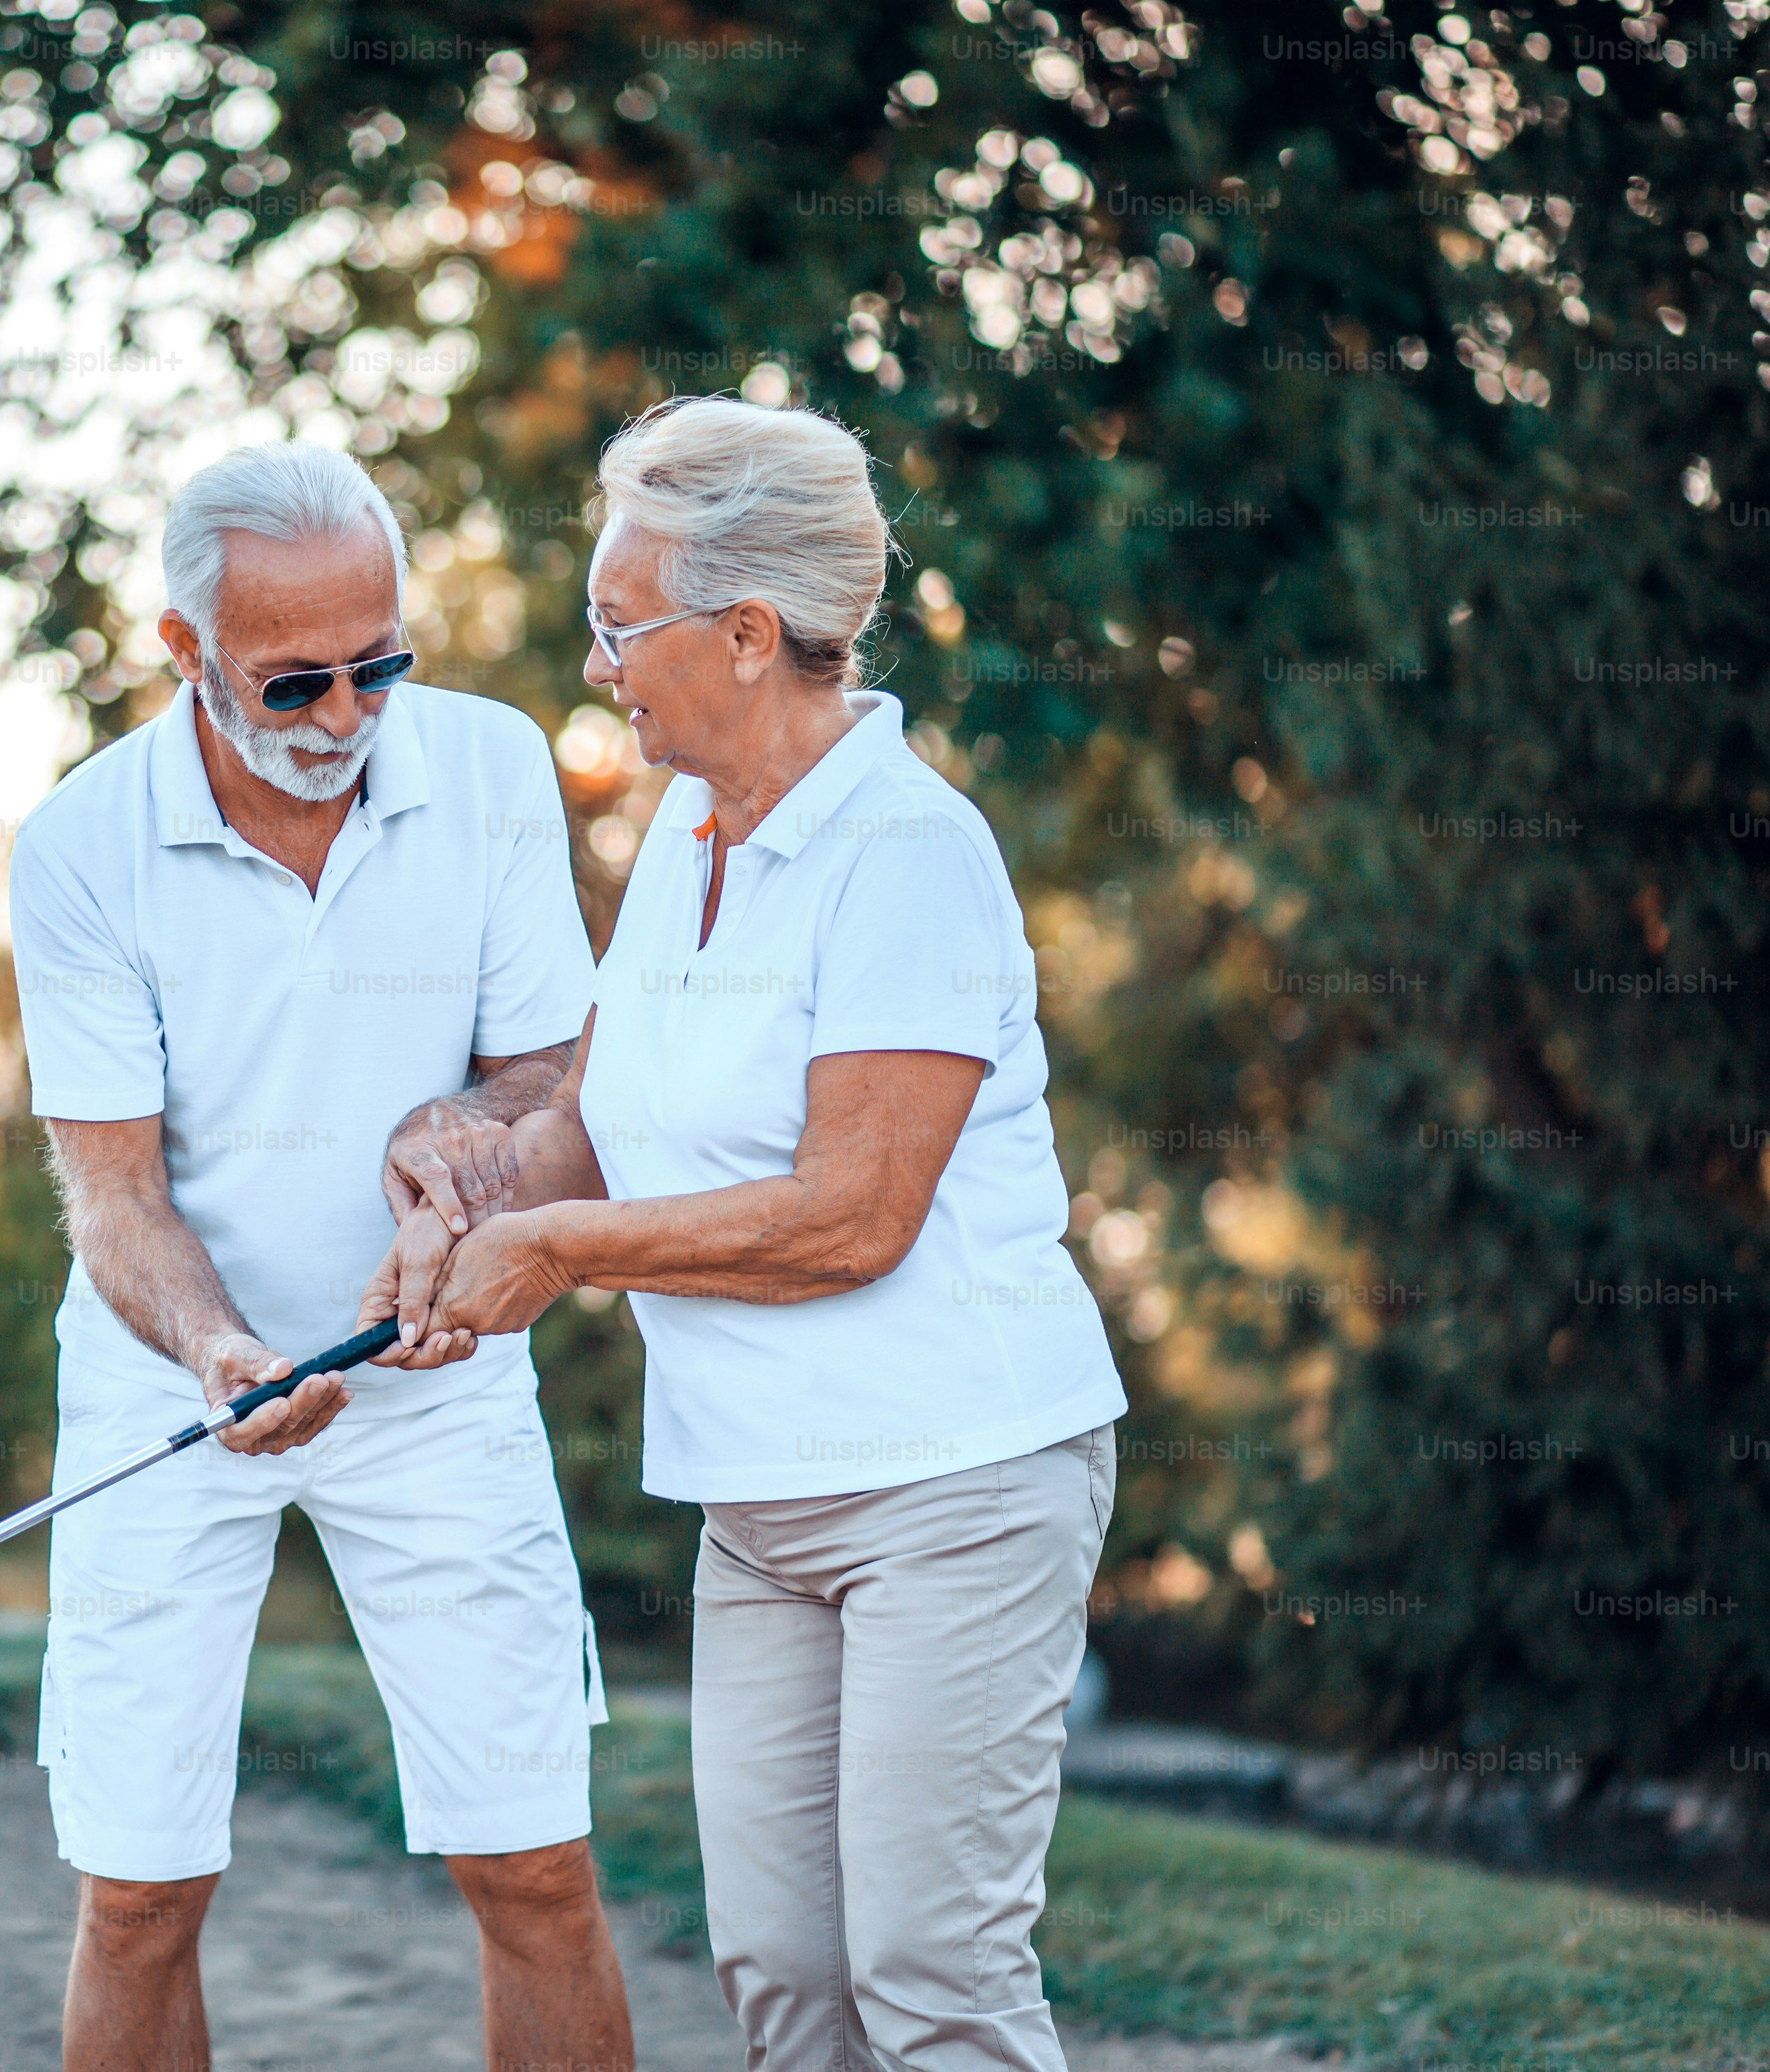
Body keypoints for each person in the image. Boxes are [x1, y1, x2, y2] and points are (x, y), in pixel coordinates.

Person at [394, 396, 1127, 2072]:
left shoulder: (910, 854)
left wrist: (562, 1252)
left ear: (742, 633)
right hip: (758, 1507)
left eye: (617, 626)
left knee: (933, 1980)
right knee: (785, 1980)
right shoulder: (683, 832)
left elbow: (849, 1218)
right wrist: (466, 1199)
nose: (596, 666)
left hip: (955, 1488)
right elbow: (595, 1118)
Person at [6, 442, 635, 2072]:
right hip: (172, 1390)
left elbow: (550, 1072)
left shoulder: (491, 766)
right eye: (294, 682)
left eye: (379, 665)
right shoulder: (77, 846)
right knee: (138, 1892)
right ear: (185, 651)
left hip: (436, 1379)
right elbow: (113, 1200)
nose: (347, 716)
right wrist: (220, 1353)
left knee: (531, 1865)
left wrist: (462, 1131)